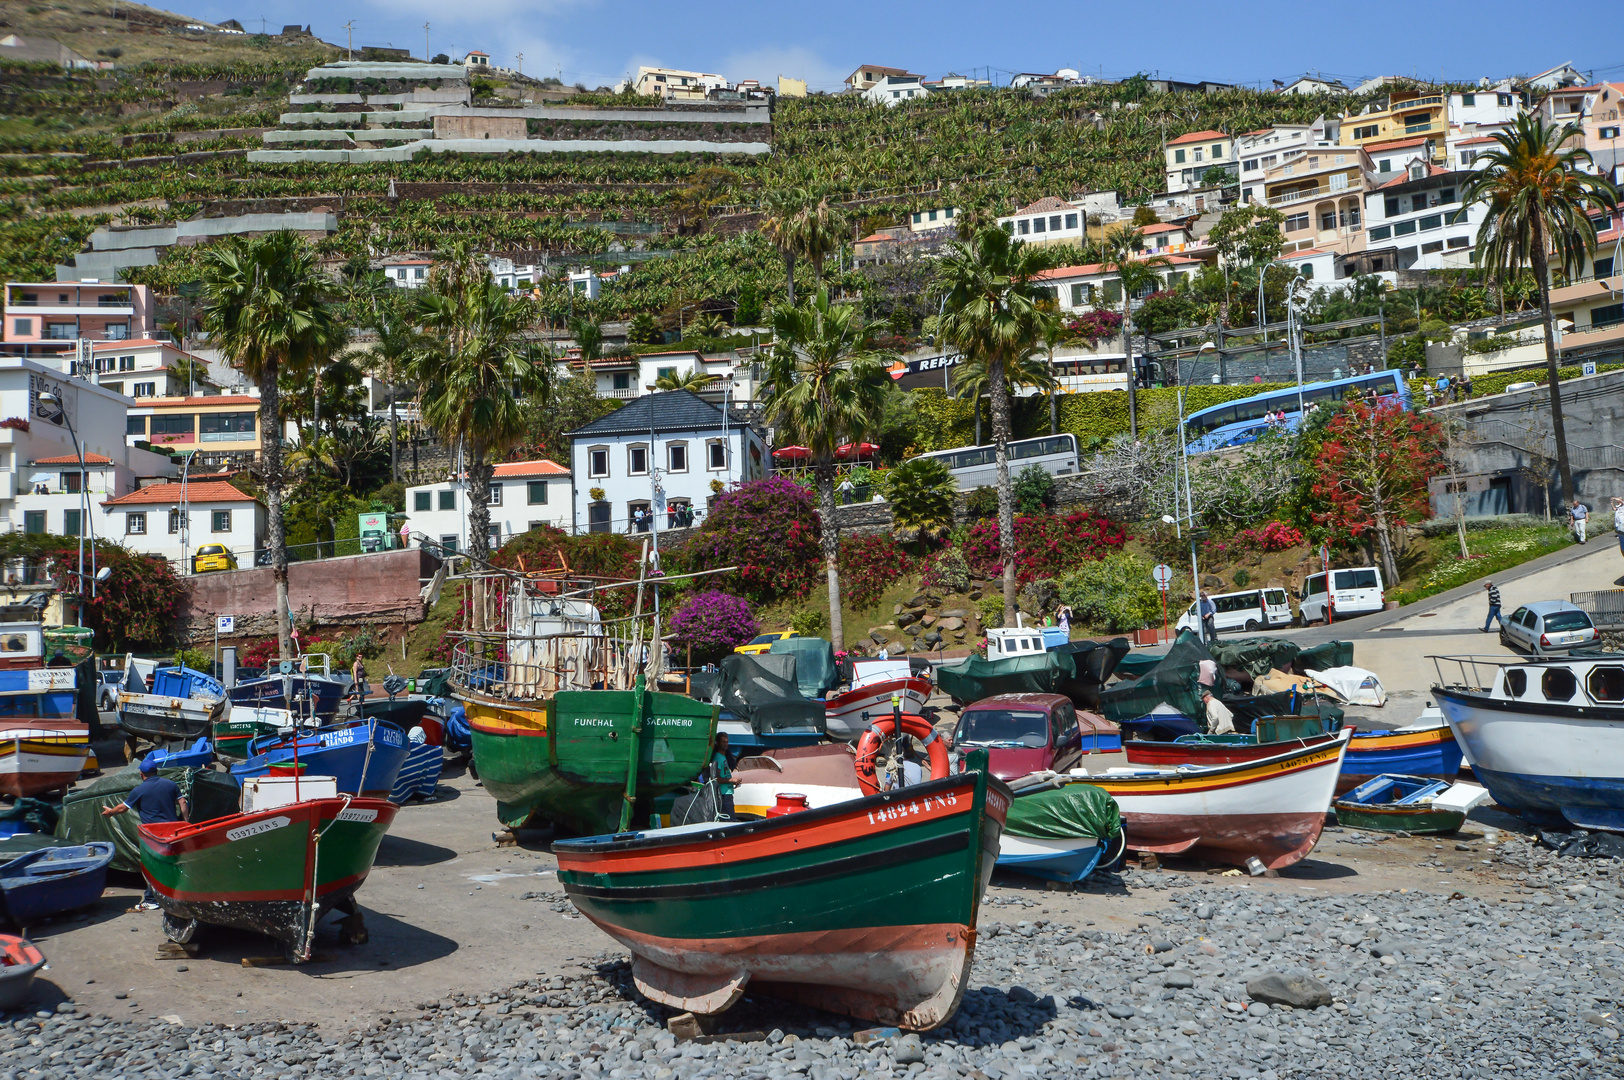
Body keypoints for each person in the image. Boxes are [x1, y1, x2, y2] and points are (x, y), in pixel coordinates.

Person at [102, 755, 187, 911]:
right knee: (172, 863)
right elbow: (182, 802)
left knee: (151, 867)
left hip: (153, 834)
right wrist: (186, 822)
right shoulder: (171, 785)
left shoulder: (139, 790)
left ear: (141, 774)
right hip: (173, 830)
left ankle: (152, 900)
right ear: (156, 771)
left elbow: (123, 808)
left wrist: (110, 812)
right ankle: (176, 895)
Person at [710, 733, 734, 818]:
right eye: (723, 742)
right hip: (723, 794)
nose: (725, 744)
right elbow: (716, 778)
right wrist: (731, 780)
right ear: (718, 743)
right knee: (730, 820)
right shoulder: (718, 758)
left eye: (727, 742)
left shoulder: (724, 757)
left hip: (728, 792)